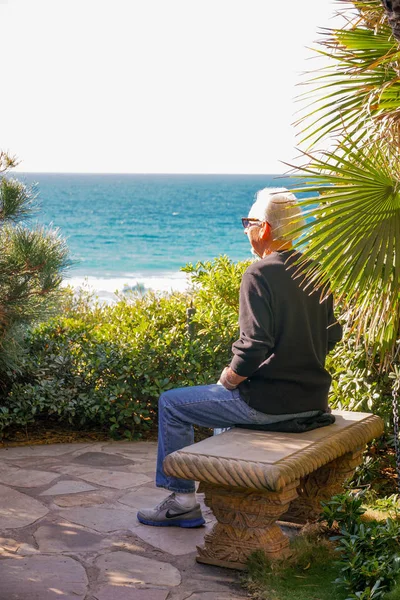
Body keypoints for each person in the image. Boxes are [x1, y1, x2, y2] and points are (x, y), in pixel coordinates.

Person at [137, 187, 342, 528]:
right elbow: (332, 335)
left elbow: (253, 346)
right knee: (223, 417)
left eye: (248, 222)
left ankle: (183, 500)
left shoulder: (258, 274)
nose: (245, 229)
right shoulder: (315, 270)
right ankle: (230, 489)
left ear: (264, 229)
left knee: (172, 404)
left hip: (270, 405)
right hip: (314, 402)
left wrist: (229, 378)